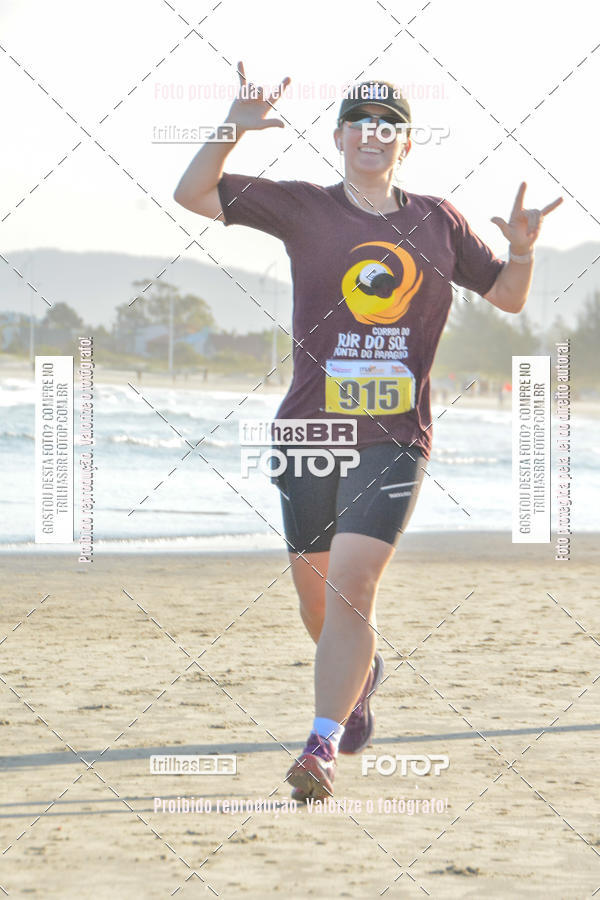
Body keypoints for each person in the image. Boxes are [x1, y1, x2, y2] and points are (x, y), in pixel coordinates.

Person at [173, 62, 562, 802]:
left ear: (406, 145)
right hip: (309, 435)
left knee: (353, 591)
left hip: (393, 436)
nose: (374, 136)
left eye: (390, 126)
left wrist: (521, 250)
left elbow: (509, 298)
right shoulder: (304, 209)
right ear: (341, 137)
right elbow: (191, 194)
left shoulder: (438, 222)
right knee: (317, 605)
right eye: (362, 123)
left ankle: (318, 747)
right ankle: (362, 679)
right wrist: (232, 126)